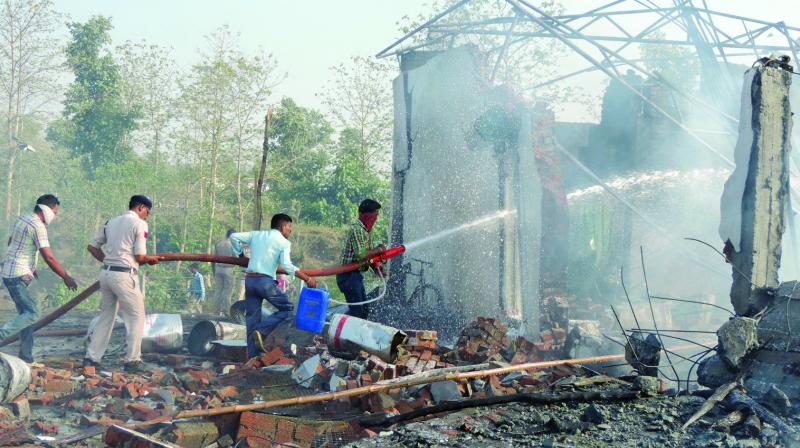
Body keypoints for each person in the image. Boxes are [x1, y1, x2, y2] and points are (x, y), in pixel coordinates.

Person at [83, 195, 161, 373]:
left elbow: (92, 247)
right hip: (125, 275)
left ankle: (91, 358)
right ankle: (132, 360)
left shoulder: (111, 222)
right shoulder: (139, 224)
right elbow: (140, 256)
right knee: (136, 316)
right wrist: (150, 259)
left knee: (106, 317)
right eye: (147, 212)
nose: (146, 216)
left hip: (106, 274)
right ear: (141, 207)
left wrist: (109, 261)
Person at [0, 194, 77, 363]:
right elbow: (49, 257)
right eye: (55, 212)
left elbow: (13, 242)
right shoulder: (38, 227)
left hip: (11, 273)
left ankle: (26, 357)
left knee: (25, 315)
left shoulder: (22, 219)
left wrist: (29, 266)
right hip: (18, 277)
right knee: (33, 313)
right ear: (46, 209)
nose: (55, 216)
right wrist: (66, 276)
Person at [230, 213, 318, 359]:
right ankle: (262, 330)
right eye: (290, 226)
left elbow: (234, 237)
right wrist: (307, 278)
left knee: (251, 319)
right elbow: (287, 266)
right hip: (265, 283)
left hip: (250, 280)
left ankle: (252, 359)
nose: (290, 230)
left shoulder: (256, 235)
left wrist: (241, 256)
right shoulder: (283, 243)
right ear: (283, 226)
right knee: (287, 309)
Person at [337, 199, 385, 319]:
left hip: (355, 275)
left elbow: (368, 254)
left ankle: (346, 329)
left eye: (376, 217)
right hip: (348, 275)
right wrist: (379, 250)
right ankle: (338, 326)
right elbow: (361, 254)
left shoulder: (366, 231)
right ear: (364, 215)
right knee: (357, 312)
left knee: (364, 311)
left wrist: (376, 268)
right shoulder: (357, 229)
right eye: (374, 216)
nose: (375, 219)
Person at [212, 229, 236, 315]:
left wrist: (214, 271)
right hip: (228, 269)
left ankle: (216, 311)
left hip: (218, 269)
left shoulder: (219, 244)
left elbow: (213, 258)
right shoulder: (233, 245)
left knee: (218, 291)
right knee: (227, 292)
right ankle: (227, 311)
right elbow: (237, 257)